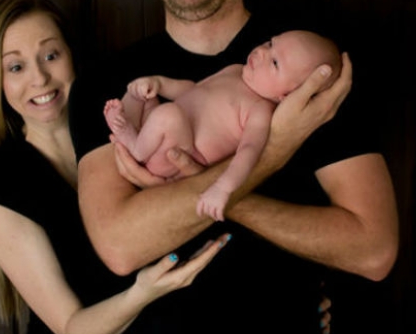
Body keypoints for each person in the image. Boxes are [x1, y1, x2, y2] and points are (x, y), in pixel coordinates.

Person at [69, 0, 400, 334]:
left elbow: (373, 249)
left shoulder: (304, 73)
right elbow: (120, 245)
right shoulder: (110, 87)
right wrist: (273, 151)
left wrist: (229, 198)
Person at [0, 0, 230, 334]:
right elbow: (74, 332)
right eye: (16, 67)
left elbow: (203, 213)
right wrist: (141, 293)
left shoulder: (128, 124)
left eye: (51, 55)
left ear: (71, 55)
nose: (39, 78)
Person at [104, 30, 342, 221]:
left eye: (275, 62)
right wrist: (160, 84)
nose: (261, 52)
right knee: (142, 93)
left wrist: (223, 188)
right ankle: (127, 124)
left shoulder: (260, 111)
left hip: (174, 155)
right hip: (163, 130)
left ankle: (134, 145)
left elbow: (249, 152)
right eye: (270, 43)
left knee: (168, 115)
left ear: (287, 96)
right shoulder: (236, 70)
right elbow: (194, 89)